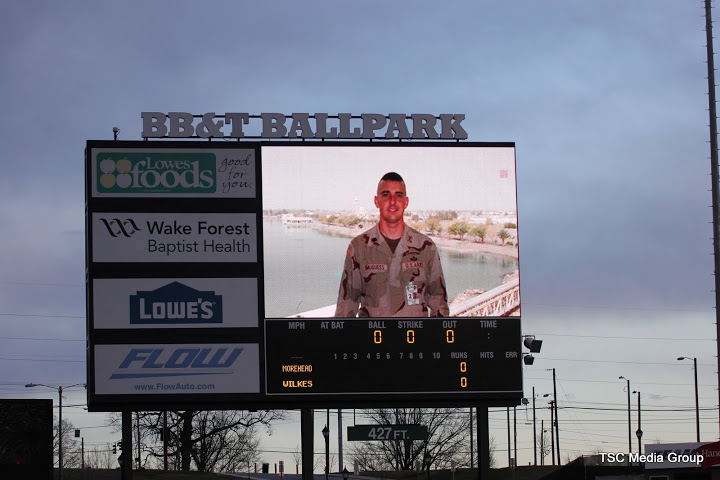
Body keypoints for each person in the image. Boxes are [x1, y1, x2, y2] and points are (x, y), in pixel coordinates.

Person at [334, 172, 449, 317]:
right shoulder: (359, 247)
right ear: (377, 201)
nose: (393, 201)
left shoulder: (426, 247)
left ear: (406, 202)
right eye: (386, 194)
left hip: (414, 338)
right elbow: (345, 309)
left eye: (398, 195)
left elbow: (439, 305)